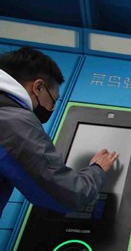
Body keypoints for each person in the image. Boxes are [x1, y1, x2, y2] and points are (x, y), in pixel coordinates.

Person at [0, 46, 118, 218]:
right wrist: (97, 169)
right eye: (53, 100)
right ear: (38, 88)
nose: (52, 108)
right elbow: (69, 194)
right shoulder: (13, 121)